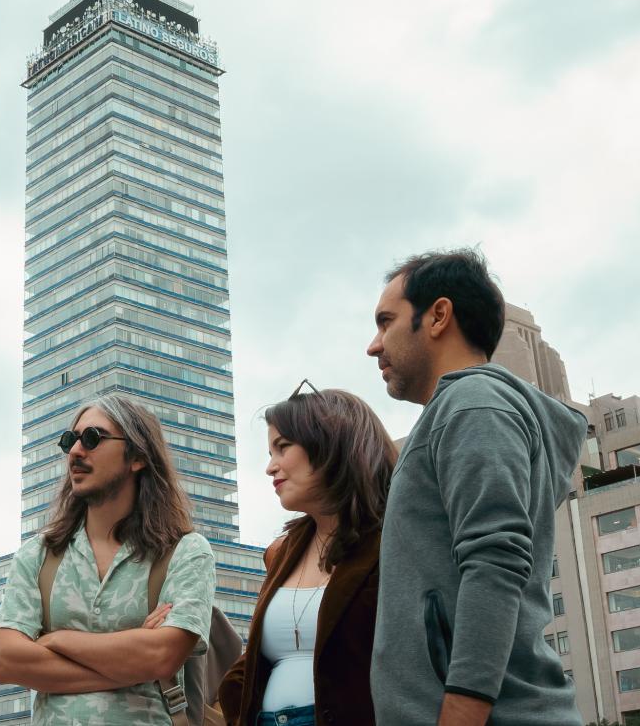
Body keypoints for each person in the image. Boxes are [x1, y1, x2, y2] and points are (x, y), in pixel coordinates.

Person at [365, 250, 586, 726]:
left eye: (386, 322)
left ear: (439, 315)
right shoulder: (462, 411)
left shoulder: (472, 405)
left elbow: (495, 561)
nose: (374, 345)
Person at [0, 393, 217, 724]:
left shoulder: (185, 551)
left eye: (92, 438)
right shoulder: (38, 555)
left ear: (137, 456)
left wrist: (56, 640)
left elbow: (162, 655)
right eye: (70, 441)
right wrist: (131, 661)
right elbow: (7, 661)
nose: (75, 451)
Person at [219, 382, 396, 726]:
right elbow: (256, 660)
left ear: (329, 444)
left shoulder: (392, 542)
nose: (270, 467)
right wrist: (234, 696)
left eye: (282, 447)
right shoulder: (280, 553)